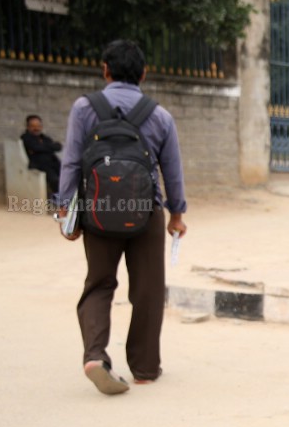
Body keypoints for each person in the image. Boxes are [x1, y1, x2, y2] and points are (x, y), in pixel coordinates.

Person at [54, 39, 188, 395]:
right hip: (146, 214)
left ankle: (96, 355)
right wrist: (177, 214)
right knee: (147, 289)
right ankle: (144, 368)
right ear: (143, 74)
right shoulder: (159, 116)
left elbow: (70, 160)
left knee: (99, 284)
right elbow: (172, 171)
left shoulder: (85, 108)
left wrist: (65, 208)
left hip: (97, 212)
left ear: (105, 70)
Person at [21, 114, 63, 195]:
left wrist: (43, 147)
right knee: (55, 181)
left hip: (54, 164)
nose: (36, 128)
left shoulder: (44, 138)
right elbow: (36, 147)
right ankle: (59, 200)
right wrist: (50, 147)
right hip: (40, 166)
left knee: (70, 176)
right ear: (28, 127)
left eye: (38, 126)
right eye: (33, 126)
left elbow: (58, 146)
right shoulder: (26, 138)